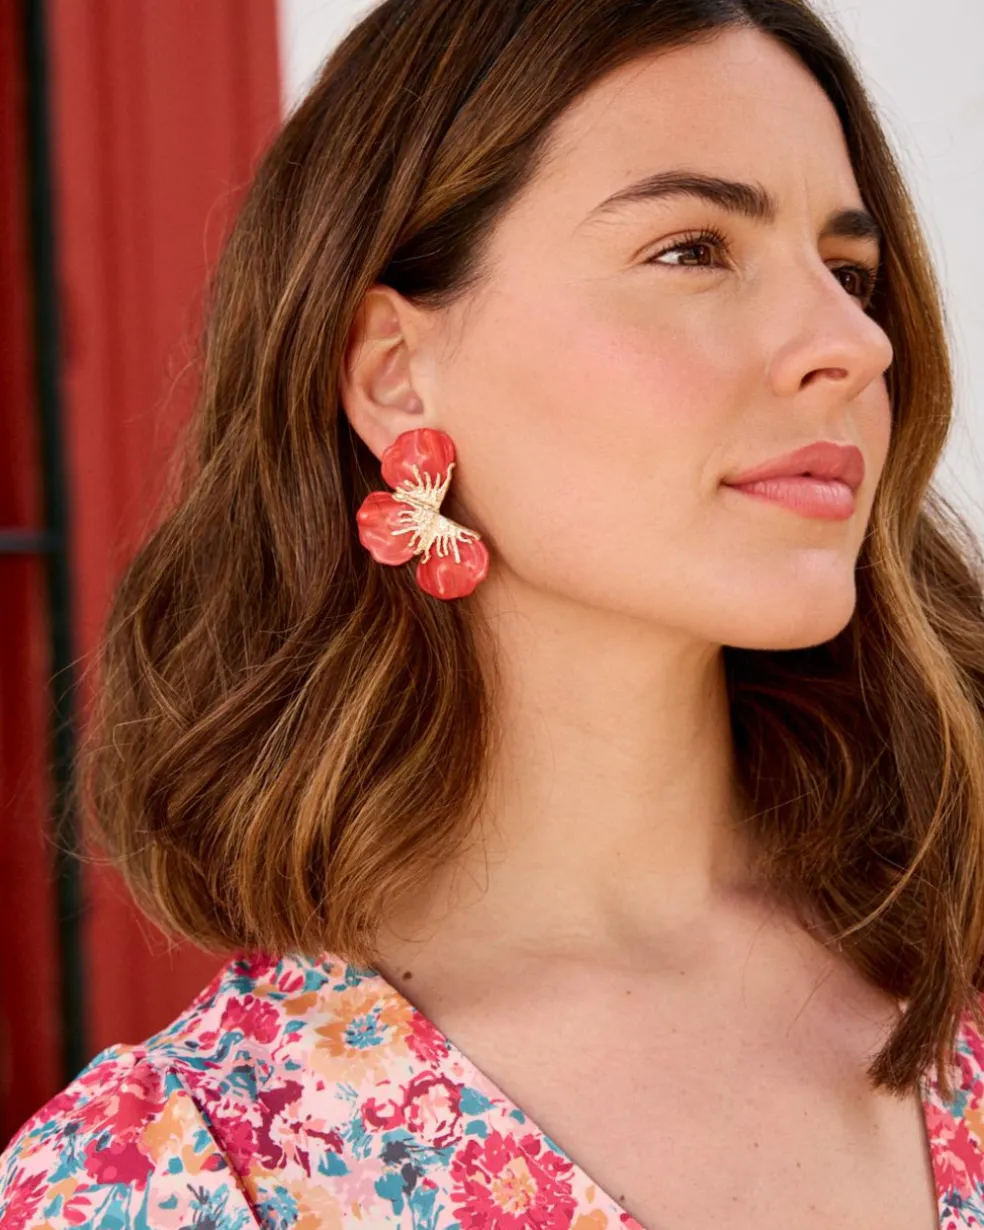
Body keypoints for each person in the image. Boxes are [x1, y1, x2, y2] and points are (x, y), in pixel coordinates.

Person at [2, 0, 983, 1226]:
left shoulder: (959, 960)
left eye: (850, 275)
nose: (853, 344)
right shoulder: (180, 1179)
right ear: (394, 373)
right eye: (692, 249)